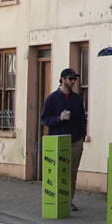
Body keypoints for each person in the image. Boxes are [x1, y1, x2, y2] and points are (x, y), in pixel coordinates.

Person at [40, 68, 88, 212]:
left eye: (75, 79)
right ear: (62, 80)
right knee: (58, 171)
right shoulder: (52, 98)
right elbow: (44, 119)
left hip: (75, 140)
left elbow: (82, 119)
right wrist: (59, 118)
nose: (73, 81)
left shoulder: (77, 99)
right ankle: (56, 198)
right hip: (58, 140)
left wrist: (82, 136)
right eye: (70, 78)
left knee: (72, 172)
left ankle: (68, 201)